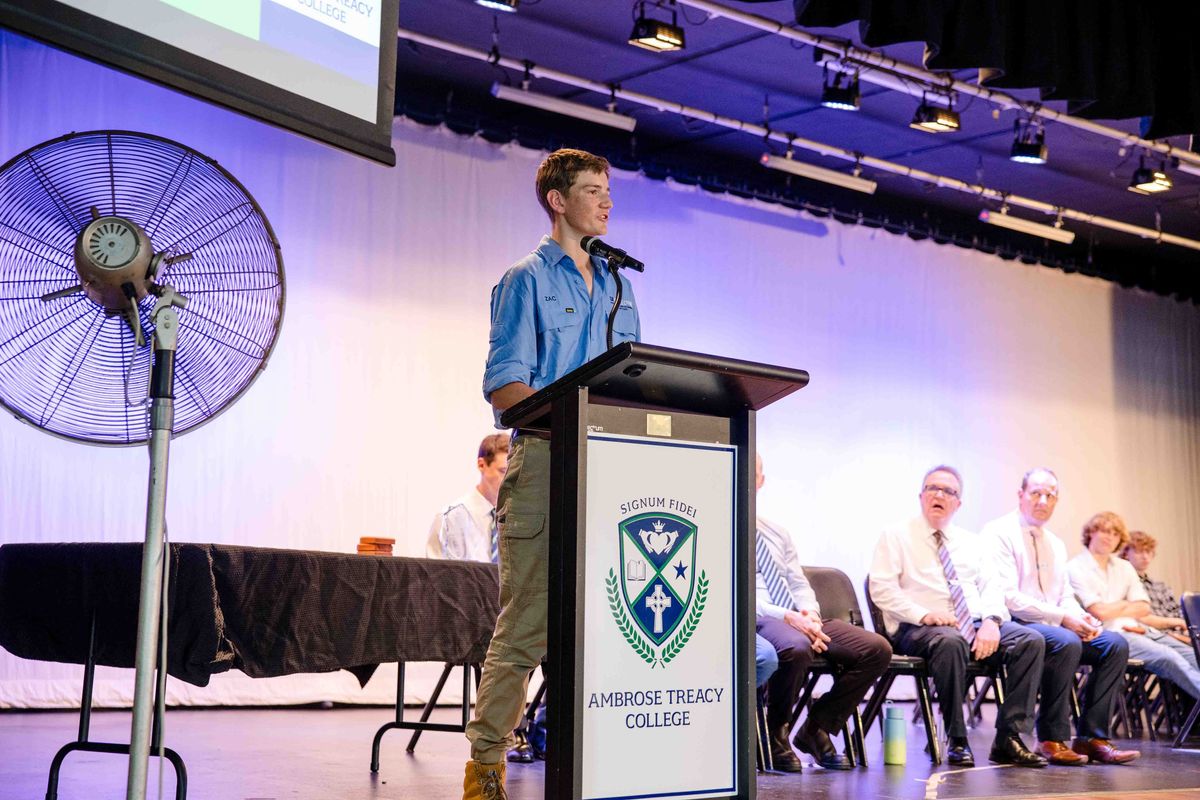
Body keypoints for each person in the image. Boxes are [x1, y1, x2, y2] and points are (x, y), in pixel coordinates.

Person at [462, 148, 641, 800]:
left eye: (608, 191)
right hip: (543, 460)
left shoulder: (619, 285)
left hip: (610, 469)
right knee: (526, 628)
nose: (606, 201)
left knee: (607, 626)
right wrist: (569, 411)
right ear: (558, 200)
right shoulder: (525, 280)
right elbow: (505, 388)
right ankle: (485, 768)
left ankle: (598, 761)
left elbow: (634, 378)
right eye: (593, 190)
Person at [869, 465, 1048, 768]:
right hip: (918, 627)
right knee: (951, 642)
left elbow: (992, 588)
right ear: (921, 496)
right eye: (933, 488)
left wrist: (991, 622)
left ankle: (1009, 738)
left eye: (948, 491)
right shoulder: (896, 535)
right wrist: (924, 614)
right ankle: (957, 738)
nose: (939, 495)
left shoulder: (971, 542)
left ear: (958, 503)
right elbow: (881, 589)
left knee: (1030, 641)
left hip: (972, 623)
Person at [980, 468, 1139, 766]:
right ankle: (1050, 738)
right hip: (1016, 623)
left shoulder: (1055, 542)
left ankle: (1092, 737)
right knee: (1066, 641)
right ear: (1021, 495)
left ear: (1056, 501)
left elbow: (1064, 595)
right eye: (1036, 493)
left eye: (1050, 495)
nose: (1043, 501)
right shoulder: (998, 532)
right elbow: (1007, 596)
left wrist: (1082, 618)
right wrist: (1064, 618)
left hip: (1054, 623)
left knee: (1114, 644)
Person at [755, 455, 891, 771]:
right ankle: (776, 735)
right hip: (762, 617)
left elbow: (797, 582)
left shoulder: (778, 532)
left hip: (799, 616)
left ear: (761, 480)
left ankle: (816, 727)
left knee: (876, 649)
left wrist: (811, 616)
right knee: (797, 646)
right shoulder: (721, 528)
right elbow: (736, 592)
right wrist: (788, 617)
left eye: (755, 471)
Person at [1067, 513, 1200, 700]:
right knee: (1169, 658)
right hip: (1110, 635)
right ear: (1091, 533)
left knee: (1193, 655)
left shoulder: (1124, 567)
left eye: (1115, 534)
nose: (1110, 537)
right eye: (1105, 531)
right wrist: (1127, 605)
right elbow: (1099, 612)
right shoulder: (1075, 567)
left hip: (1142, 630)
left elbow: (1144, 607)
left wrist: (1115, 607)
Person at [426, 434, 510, 562]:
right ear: (482, 465)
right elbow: (437, 574)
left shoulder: (519, 520)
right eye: (503, 471)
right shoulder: (449, 519)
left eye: (512, 473)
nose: (509, 481)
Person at [1121, 531, 1193, 648]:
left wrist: (1187, 628)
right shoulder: (1123, 586)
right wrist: (1178, 623)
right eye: (1139, 551)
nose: (1145, 557)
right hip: (1153, 636)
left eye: (1148, 551)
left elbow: (1177, 613)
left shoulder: (1160, 587)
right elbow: (1140, 619)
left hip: (1180, 635)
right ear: (1125, 554)